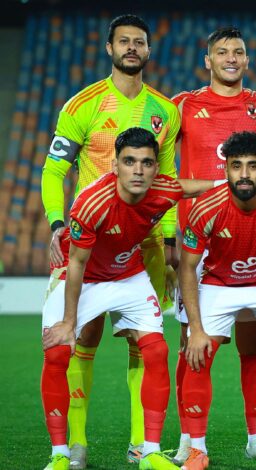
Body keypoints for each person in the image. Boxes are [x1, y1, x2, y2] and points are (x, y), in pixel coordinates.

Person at [40, 14, 181, 467]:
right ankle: (76, 445)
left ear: (148, 50)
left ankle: (142, 445)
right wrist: (57, 224)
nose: (132, 48)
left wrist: (170, 241)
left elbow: (170, 179)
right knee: (80, 338)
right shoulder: (82, 105)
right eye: (124, 41)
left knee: (146, 343)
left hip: (145, 244)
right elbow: (54, 171)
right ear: (110, 48)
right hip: (88, 242)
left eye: (139, 41)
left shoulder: (165, 111)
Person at [40, 127, 213, 470]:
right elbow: (76, 264)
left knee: (157, 351)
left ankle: (149, 452)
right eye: (130, 161)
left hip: (128, 276)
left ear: (155, 168)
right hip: (84, 278)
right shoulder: (92, 202)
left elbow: (191, 187)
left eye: (146, 163)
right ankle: (60, 454)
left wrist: (235, 182)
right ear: (115, 165)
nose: (138, 170)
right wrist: (69, 322)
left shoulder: (162, 189)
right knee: (58, 351)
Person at [171, 26, 256, 464]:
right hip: (200, 242)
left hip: (254, 240)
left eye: (238, 52)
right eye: (222, 52)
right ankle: (189, 439)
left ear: (247, 60)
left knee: (253, 345)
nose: (231, 58)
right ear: (208, 61)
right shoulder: (183, 105)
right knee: (192, 344)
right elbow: (159, 165)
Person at [177, 131, 256, 470]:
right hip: (219, 283)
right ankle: (196, 450)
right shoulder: (205, 208)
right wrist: (195, 329)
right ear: (226, 169)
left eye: (252, 166)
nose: (244, 174)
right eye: (236, 166)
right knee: (197, 354)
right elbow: (187, 268)